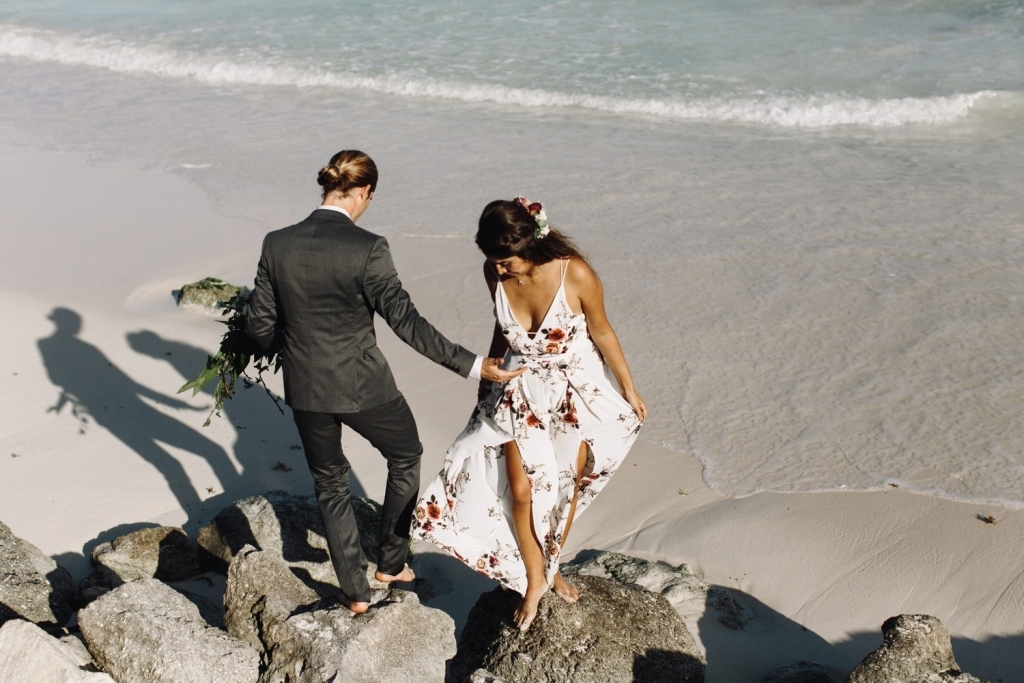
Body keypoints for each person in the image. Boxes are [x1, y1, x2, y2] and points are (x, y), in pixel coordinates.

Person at [245, 151, 524, 614]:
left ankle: (354, 592)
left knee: (330, 483)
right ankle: (390, 562)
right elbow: (406, 322)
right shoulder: (368, 248)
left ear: (328, 188)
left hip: (305, 388)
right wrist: (475, 365)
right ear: (364, 193)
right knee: (406, 453)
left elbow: (258, 329)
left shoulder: (277, 243)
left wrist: (290, 342)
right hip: (363, 387)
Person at [411, 197, 646, 630]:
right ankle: (535, 578)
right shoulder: (494, 271)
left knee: (562, 488)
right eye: (492, 262)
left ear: (528, 244)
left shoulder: (574, 272)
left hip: (575, 395)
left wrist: (628, 388)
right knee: (520, 489)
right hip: (521, 390)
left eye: (505, 262)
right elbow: (502, 328)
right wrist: (490, 373)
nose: (498, 271)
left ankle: (552, 565)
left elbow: (603, 330)